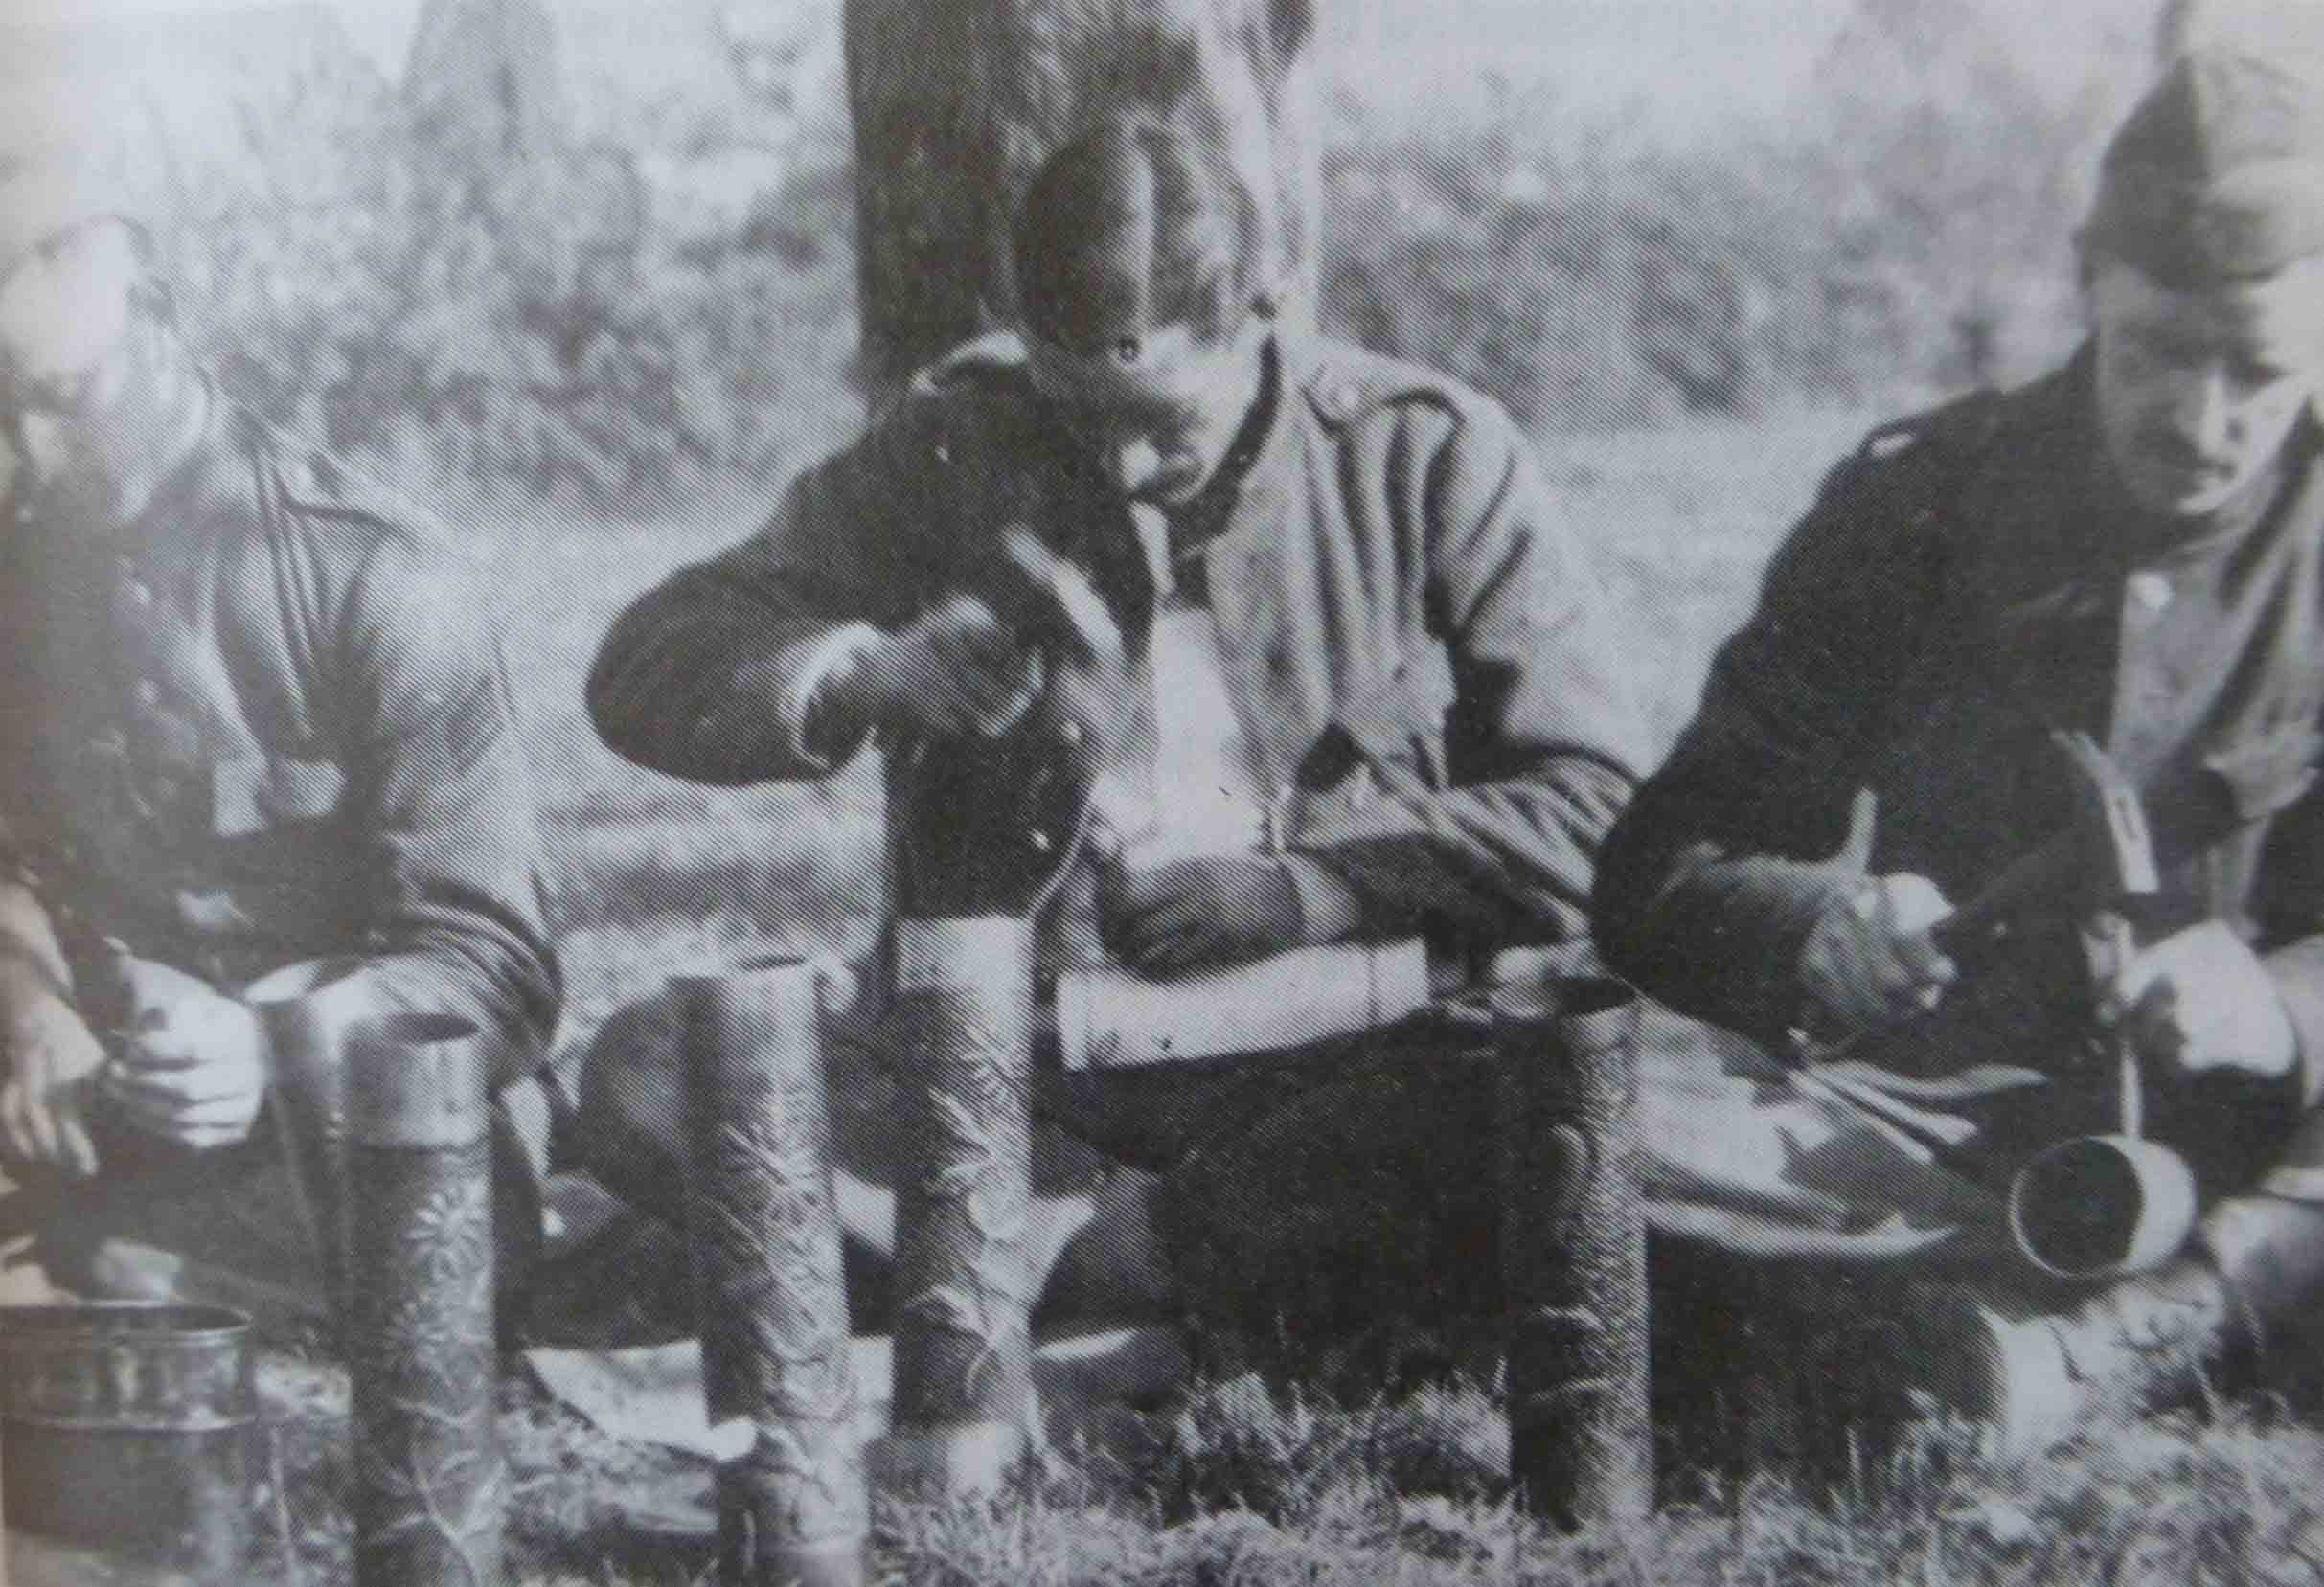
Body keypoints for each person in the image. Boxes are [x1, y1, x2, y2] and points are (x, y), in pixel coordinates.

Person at [582, 114, 1647, 1335]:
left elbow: (1598, 811)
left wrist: (1314, 891)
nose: (1126, 465)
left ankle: (1022, 1267)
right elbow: (644, 661)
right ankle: (1144, 1260)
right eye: (1082, 413)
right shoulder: (956, 440)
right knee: (651, 1072)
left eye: (1161, 421)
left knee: (1572, 1106)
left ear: (1264, 315)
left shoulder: (1425, 457)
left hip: (1354, 1075)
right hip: (1026, 1089)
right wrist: (869, 673)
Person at [1593, 48, 2324, 1455]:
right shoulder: (1918, 505)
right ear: (2086, 284)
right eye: (2161, 350)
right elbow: (1654, 870)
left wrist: (2280, 1006)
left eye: (2261, 369)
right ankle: (2087, 1328)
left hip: (2269, 1137)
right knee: (1547, 1126)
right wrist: (1816, 926)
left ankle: (2111, 1344)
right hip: (1936, 1140)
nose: (2201, 416)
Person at [0, 170, 563, 1317]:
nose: (28, 452)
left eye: (58, 401)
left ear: (161, 330)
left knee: (422, 1248)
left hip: (349, 1109)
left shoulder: (379, 573)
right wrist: (31, 1014)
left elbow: (495, 967)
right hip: (96, 1094)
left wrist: (268, 1047)